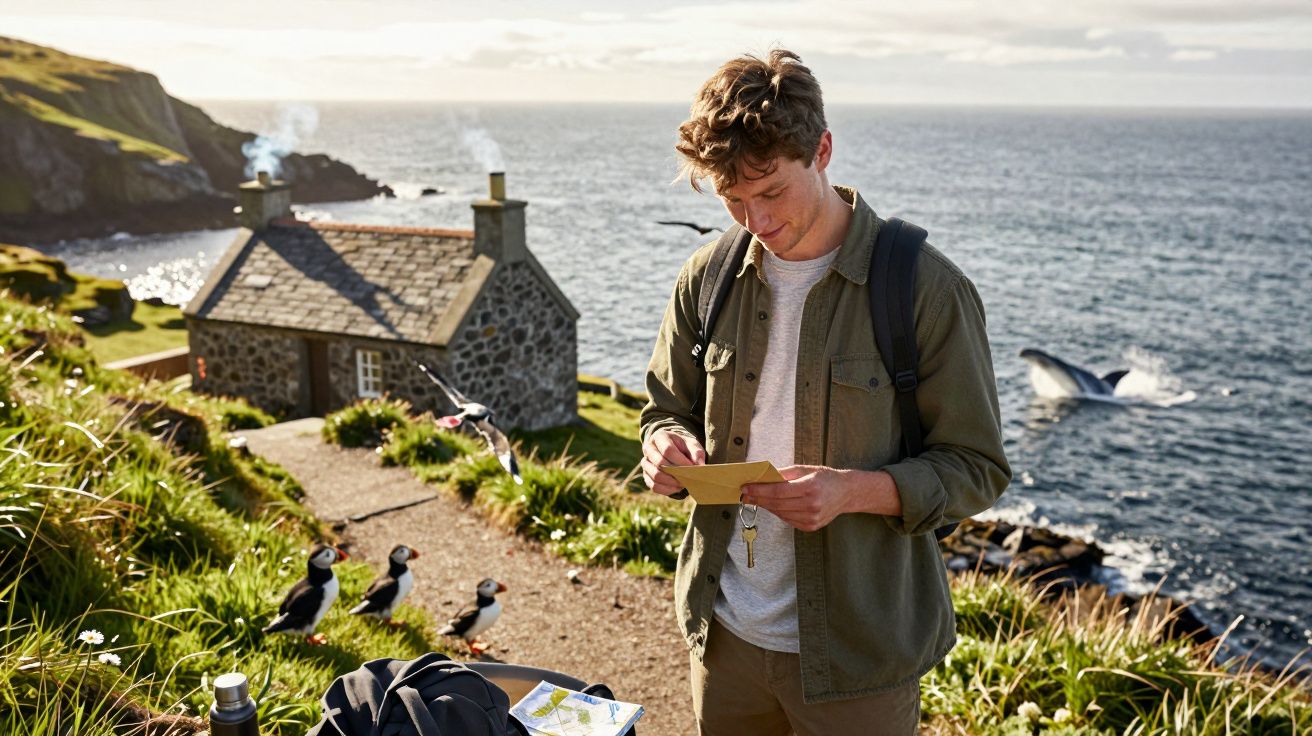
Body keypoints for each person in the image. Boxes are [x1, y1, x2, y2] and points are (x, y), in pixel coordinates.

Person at [638, 49, 1011, 735]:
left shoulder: (928, 290)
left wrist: (851, 492)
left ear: (823, 151)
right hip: (723, 637)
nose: (754, 219)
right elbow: (665, 410)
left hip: (857, 660)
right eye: (731, 199)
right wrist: (664, 445)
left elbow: (977, 468)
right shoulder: (706, 275)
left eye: (771, 192)